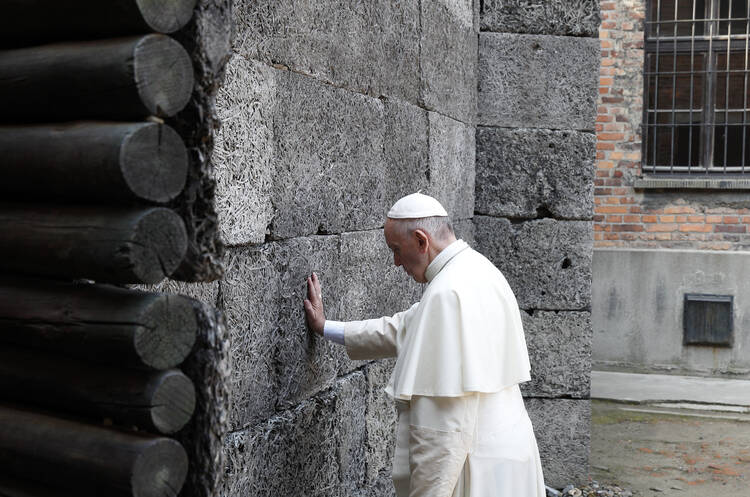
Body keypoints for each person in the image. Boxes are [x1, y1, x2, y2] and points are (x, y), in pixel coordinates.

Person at [303, 192, 546, 497]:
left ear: (421, 241)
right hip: (510, 453)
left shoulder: (447, 293)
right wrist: (326, 327)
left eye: (396, 249)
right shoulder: (477, 270)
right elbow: (401, 328)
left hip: (471, 467)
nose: (395, 262)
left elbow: (443, 429)